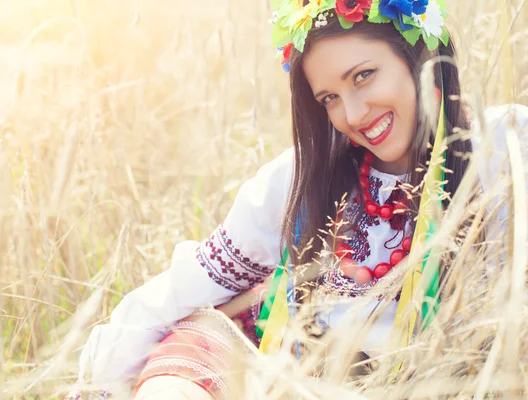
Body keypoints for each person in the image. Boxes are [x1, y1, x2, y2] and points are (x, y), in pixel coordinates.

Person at [66, 0, 528, 398]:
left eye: (363, 76)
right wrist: (99, 381)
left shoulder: (505, 145)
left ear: (421, 57)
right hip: (297, 379)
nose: (351, 114)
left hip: (435, 381)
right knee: (188, 352)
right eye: (328, 97)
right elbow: (180, 290)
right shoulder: (302, 177)